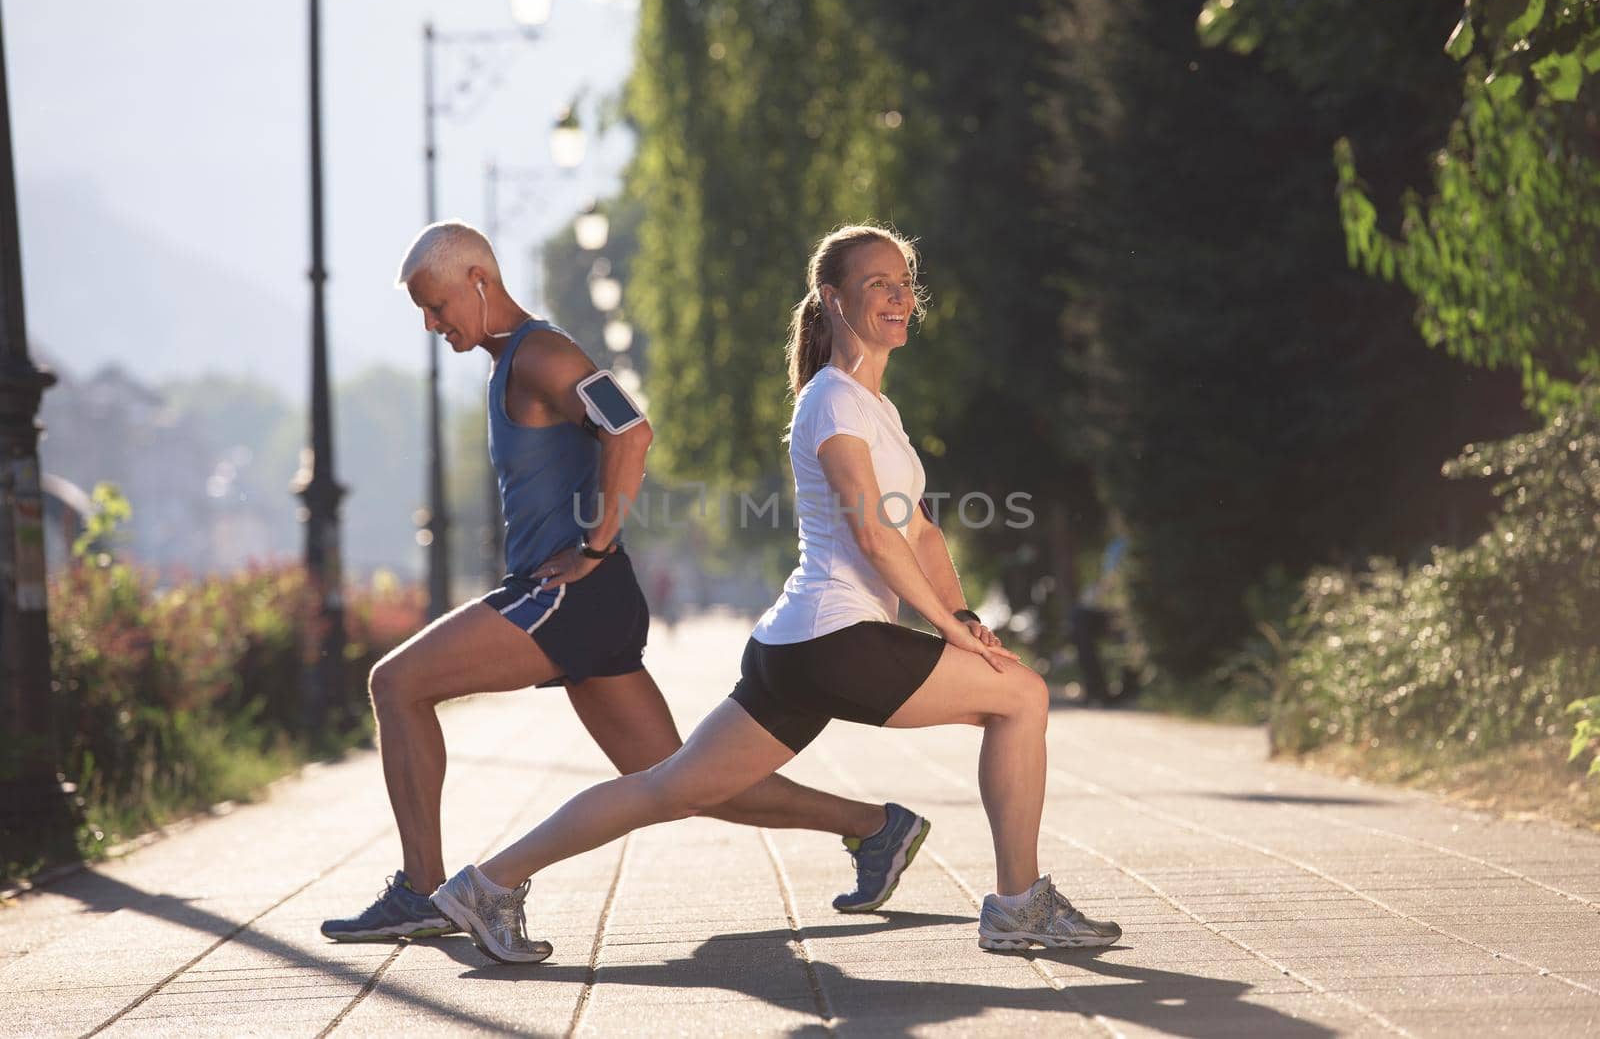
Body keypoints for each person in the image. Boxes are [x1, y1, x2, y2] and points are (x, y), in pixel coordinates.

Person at [430, 224, 1122, 963]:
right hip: (834, 639)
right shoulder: (831, 402)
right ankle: (1018, 905)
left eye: (902, 283)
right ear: (834, 299)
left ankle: (486, 884)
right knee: (1023, 697)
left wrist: (962, 618)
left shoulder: (873, 408)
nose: (897, 296)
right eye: (876, 283)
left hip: (796, 648)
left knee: (671, 787)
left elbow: (918, 533)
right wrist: (946, 634)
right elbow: (872, 535)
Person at [321, 222, 928, 943]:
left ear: (480, 282)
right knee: (678, 781)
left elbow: (630, 428)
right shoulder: (512, 361)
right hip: (588, 602)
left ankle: (423, 890)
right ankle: (876, 827)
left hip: (573, 595)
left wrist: (594, 545)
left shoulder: (540, 354)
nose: (431, 323)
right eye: (421, 311)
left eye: (438, 304)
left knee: (396, 682)